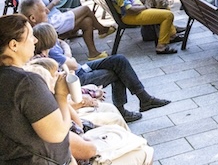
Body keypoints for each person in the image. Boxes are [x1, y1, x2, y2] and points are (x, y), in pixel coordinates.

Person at [32, 23, 169, 124]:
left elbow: (68, 54)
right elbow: (72, 62)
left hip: (81, 68)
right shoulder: (50, 55)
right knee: (118, 73)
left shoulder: (52, 47)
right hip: (79, 78)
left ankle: (144, 99)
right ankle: (129, 107)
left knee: (119, 60)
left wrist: (66, 50)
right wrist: (67, 51)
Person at [0, 14, 72, 165]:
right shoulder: (26, 82)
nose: (35, 39)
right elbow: (57, 133)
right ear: (13, 45)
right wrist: (61, 96)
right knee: (142, 157)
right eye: (30, 35)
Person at [17, 0, 114, 61]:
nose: (47, 11)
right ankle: (101, 30)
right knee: (85, 9)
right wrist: (54, 2)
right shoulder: (42, 37)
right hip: (55, 22)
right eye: (44, 10)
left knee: (87, 21)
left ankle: (93, 53)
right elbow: (66, 63)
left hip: (55, 21)